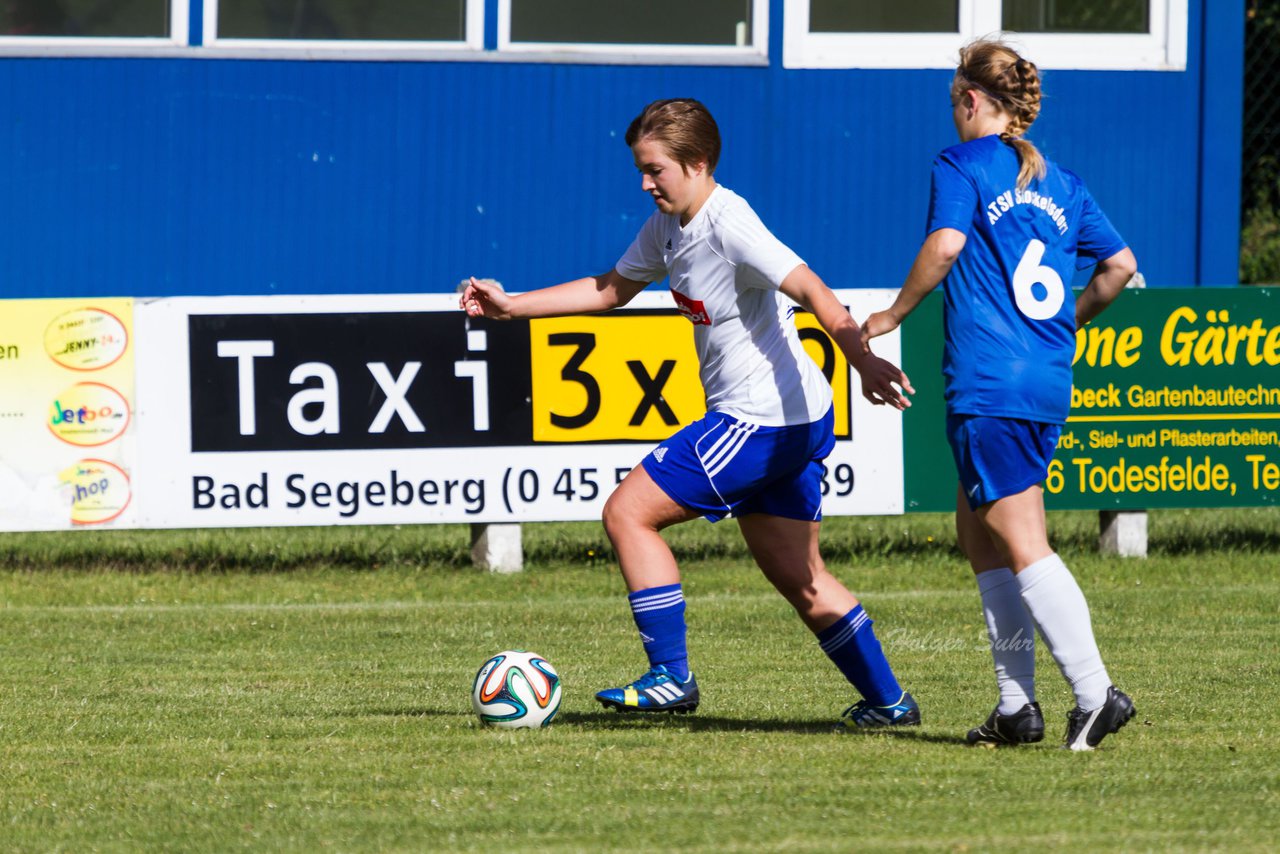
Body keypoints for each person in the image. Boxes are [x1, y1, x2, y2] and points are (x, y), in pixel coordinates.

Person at [462, 98, 920, 729]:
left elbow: (813, 289)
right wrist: (510, 307)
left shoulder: (729, 223)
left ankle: (670, 676)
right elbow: (612, 290)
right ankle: (890, 704)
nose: (645, 183)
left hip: (760, 419)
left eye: (655, 170)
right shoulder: (668, 226)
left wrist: (863, 360)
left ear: (698, 163)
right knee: (802, 578)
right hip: (793, 417)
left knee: (628, 512)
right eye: (641, 170)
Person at [862, 39, 1139, 750]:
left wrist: (892, 315)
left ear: (971, 100)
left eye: (955, 100)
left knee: (1021, 541)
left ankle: (1094, 691)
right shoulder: (1063, 183)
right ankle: (1016, 708)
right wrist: (1062, 325)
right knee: (977, 529)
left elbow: (947, 244)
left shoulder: (961, 162)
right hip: (1045, 377)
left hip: (990, 378)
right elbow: (1120, 265)